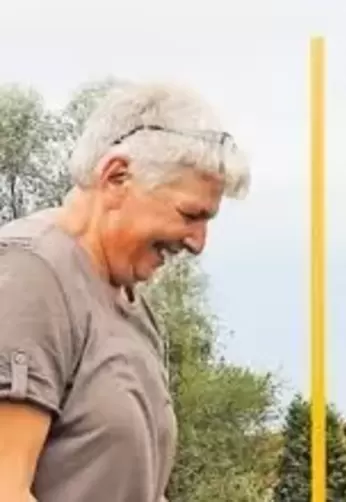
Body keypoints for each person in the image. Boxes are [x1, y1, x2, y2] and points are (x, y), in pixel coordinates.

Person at [0, 82, 250, 501]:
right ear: (116, 176)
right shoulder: (29, 276)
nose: (198, 242)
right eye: (190, 214)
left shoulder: (131, 307)